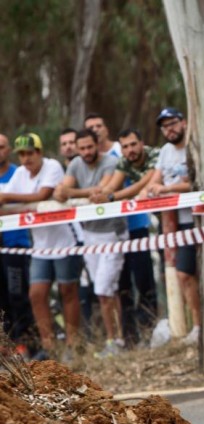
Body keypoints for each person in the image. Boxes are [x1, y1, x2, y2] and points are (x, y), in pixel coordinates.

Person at [0, 134, 81, 361]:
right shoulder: (19, 174)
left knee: (68, 291)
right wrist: (8, 202)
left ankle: (73, 345)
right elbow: (16, 205)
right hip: (40, 244)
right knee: (36, 294)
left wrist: (6, 197)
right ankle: (49, 346)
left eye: (29, 153)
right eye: (22, 154)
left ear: (39, 152)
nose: (26, 159)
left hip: (64, 239)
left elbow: (42, 195)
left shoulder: (52, 166)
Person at [55, 129, 125, 357]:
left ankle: (115, 339)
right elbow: (61, 193)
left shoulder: (111, 162)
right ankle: (115, 339)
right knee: (105, 290)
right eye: (82, 148)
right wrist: (79, 193)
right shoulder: (75, 164)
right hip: (90, 233)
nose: (86, 152)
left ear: (97, 145)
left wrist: (73, 193)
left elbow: (102, 190)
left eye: (89, 147)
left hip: (112, 232)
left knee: (103, 288)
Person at [92, 129, 160, 346]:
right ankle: (130, 337)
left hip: (141, 228)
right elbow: (112, 185)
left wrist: (111, 196)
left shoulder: (155, 155)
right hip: (119, 232)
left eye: (133, 144)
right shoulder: (121, 162)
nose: (130, 150)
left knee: (144, 281)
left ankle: (149, 329)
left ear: (142, 143)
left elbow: (144, 184)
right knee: (123, 287)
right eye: (125, 146)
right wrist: (102, 193)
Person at [143, 107, 201, 344]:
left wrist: (166, 188)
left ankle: (199, 324)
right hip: (173, 223)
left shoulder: (194, 145)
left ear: (184, 122)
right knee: (183, 275)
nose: (170, 129)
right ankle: (196, 326)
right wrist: (150, 189)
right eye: (165, 126)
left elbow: (197, 181)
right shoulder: (166, 151)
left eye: (173, 123)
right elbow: (156, 179)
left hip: (197, 220)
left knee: (188, 273)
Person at [0, 133, 34, 352]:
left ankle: (26, 340)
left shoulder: (17, 175)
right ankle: (7, 344)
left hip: (15, 241)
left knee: (17, 293)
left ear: (9, 149)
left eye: (1, 146)